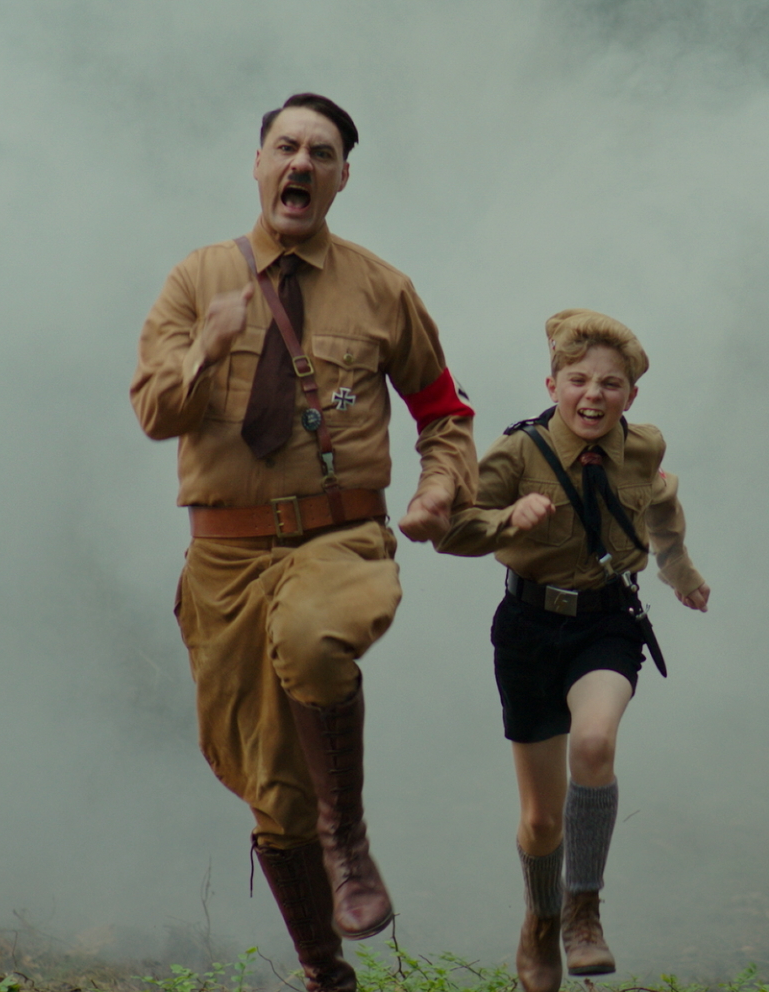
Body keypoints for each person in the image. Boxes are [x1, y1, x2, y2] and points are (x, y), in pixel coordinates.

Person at [130, 93, 477, 992]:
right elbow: (153, 413)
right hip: (225, 564)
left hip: (341, 541)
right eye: (286, 147)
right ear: (257, 164)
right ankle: (325, 970)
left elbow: (444, 412)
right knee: (273, 789)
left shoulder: (382, 288)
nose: (301, 164)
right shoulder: (195, 279)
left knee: (315, 639)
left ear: (342, 177)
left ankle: (348, 840)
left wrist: (440, 487)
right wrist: (203, 352)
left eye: (321, 153)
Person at [436, 309, 709, 991]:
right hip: (528, 629)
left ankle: (584, 912)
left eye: (611, 384)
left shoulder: (643, 447)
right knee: (539, 819)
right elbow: (452, 530)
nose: (594, 395)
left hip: (606, 623)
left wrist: (679, 573)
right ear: (552, 384)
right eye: (579, 380)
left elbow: (661, 506)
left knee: (593, 742)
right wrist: (508, 518)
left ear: (631, 395)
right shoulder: (516, 454)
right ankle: (541, 917)